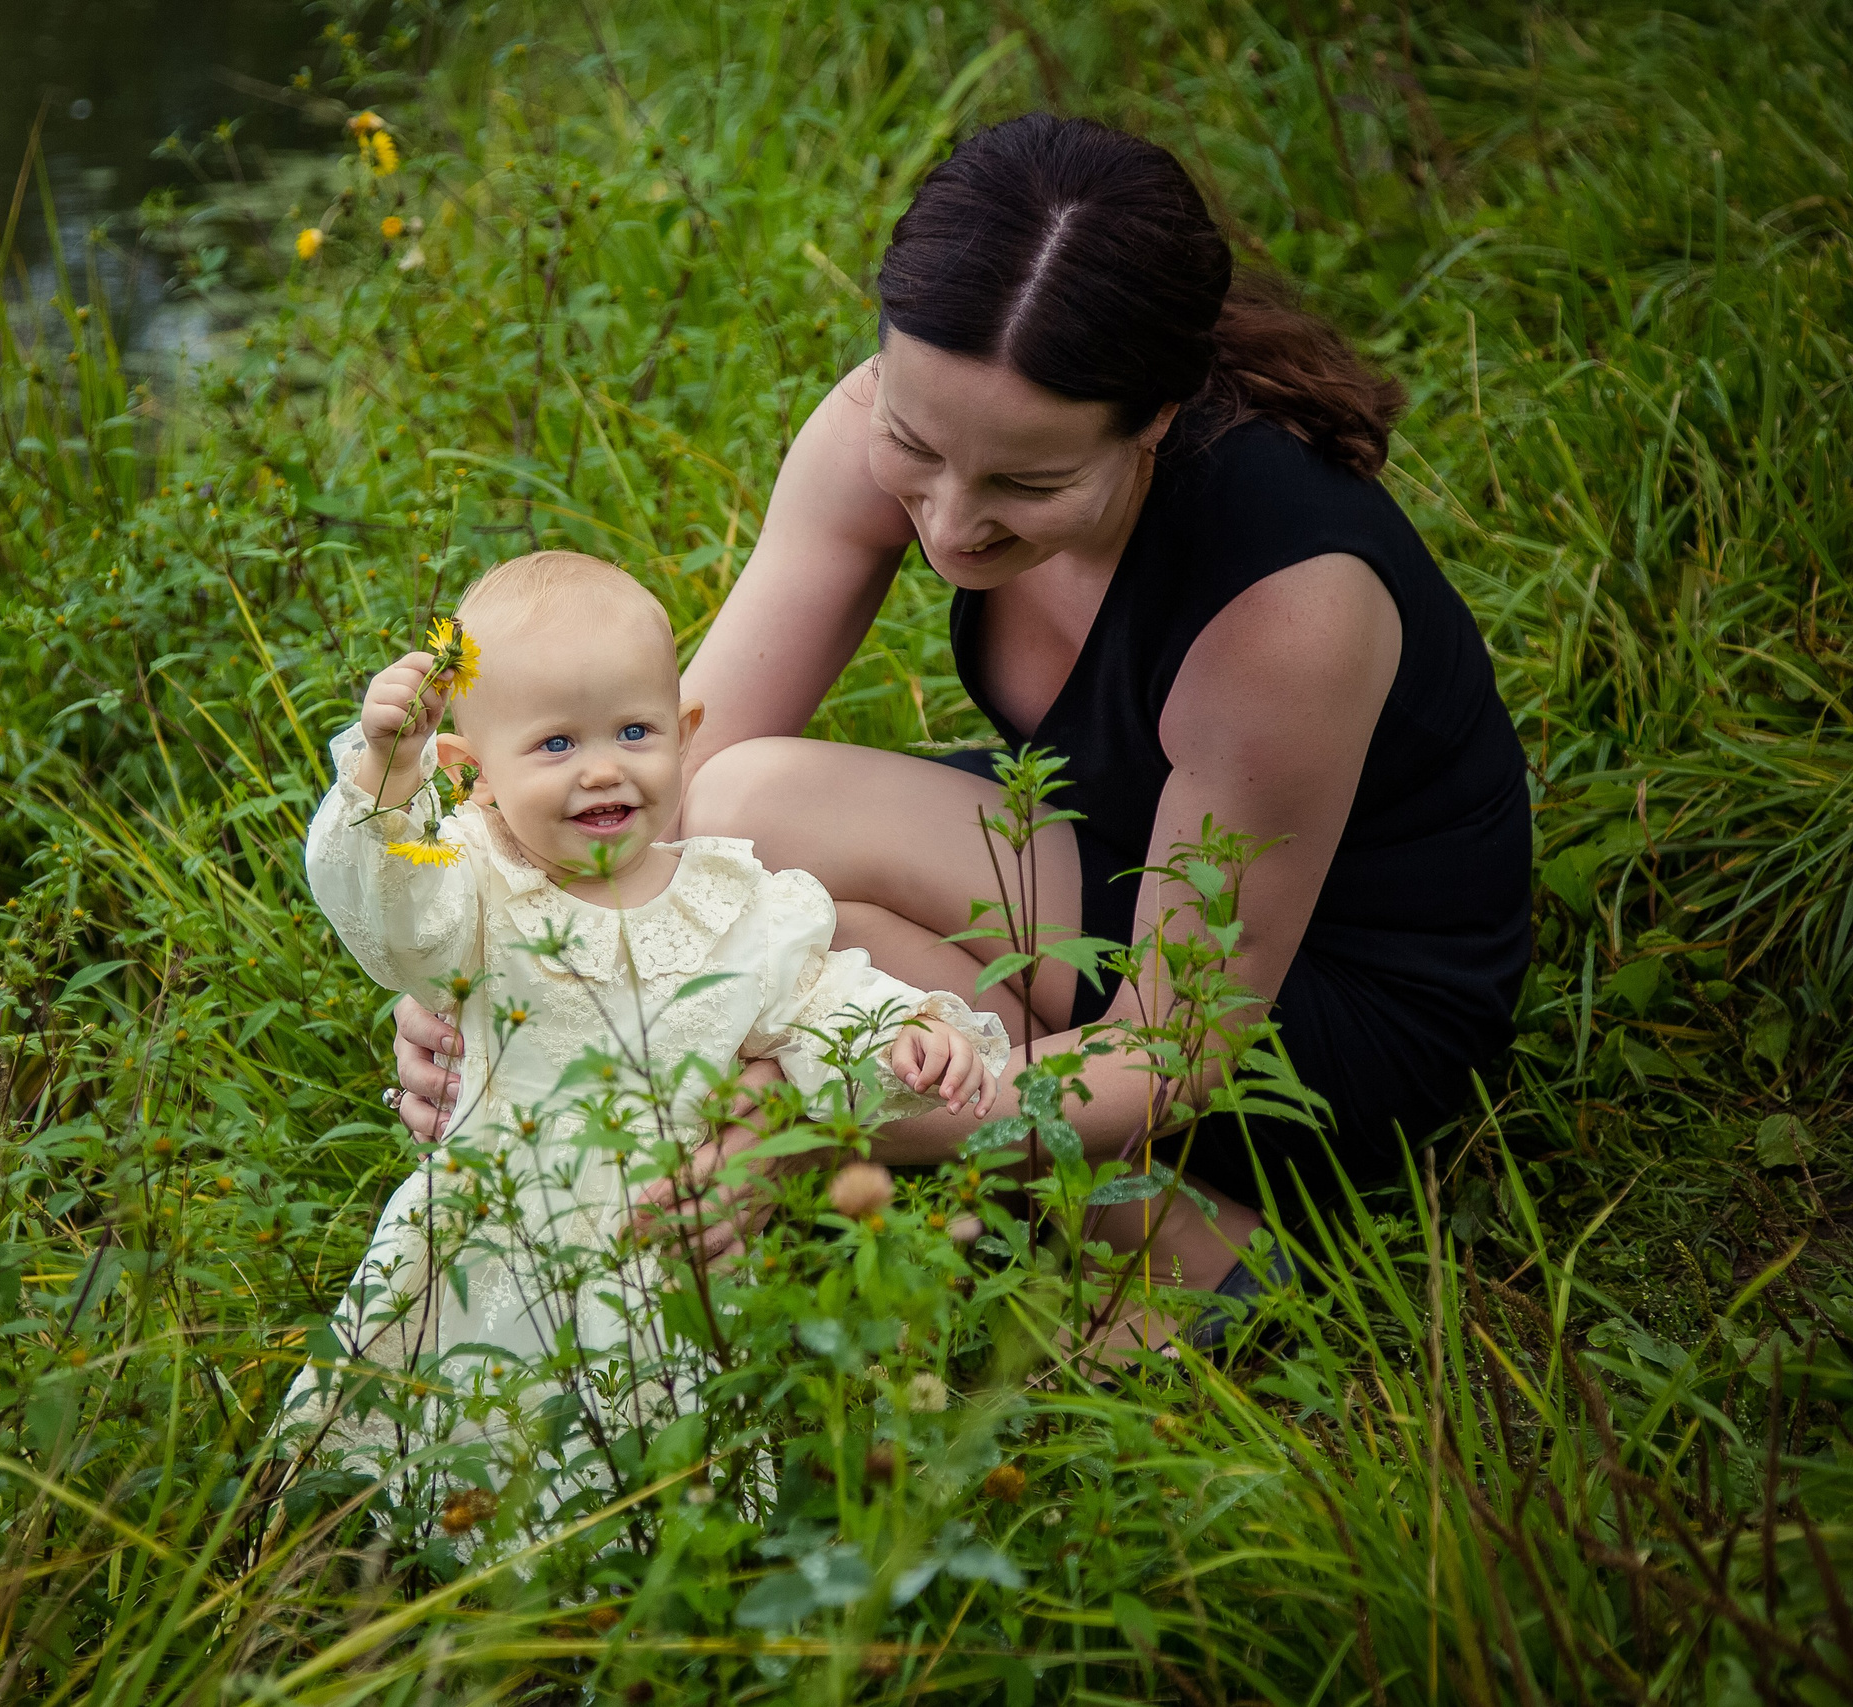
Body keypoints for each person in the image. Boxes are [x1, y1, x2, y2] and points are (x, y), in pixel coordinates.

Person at [387, 114, 1533, 1351]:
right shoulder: (896, 422)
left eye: (1027, 485)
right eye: (914, 447)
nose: (948, 524)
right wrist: (486, 971)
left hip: (1313, 1011)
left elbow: (1181, 1041)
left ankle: (1197, 1256)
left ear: (1154, 419)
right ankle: (1070, 1202)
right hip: (1117, 861)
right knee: (757, 867)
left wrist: (802, 1118)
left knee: (776, 874)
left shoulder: (1286, 610)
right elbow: (662, 793)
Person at [285, 551, 1010, 1455]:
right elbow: (393, 922)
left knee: (660, 1462)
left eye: (634, 731)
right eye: (556, 744)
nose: (602, 770)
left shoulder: (733, 900)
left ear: (684, 732)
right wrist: (389, 779)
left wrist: (906, 1032)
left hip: (668, 1251)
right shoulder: (475, 882)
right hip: (500, 1237)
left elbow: (817, 996)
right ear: (474, 770)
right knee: (470, 1445)